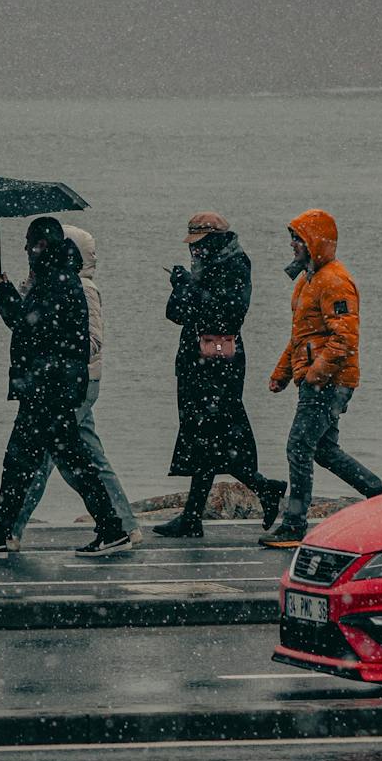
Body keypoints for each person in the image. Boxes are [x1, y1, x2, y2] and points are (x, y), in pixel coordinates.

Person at [0, 216, 136, 560]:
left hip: (47, 388)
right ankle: (108, 528)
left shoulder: (58, 282)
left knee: (30, 462)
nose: (27, 251)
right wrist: (11, 294)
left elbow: (30, 327)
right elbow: (33, 325)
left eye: (30, 245)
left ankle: (2, 534)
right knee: (55, 460)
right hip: (48, 387)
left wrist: (4, 294)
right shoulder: (58, 277)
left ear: (41, 246)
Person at [260, 208, 382, 548]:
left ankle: (294, 524)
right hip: (315, 379)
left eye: (297, 239)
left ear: (314, 242)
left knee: (299, 447)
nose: (291, 244)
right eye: (292, 237)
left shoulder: (334, 280)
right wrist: (282, 374)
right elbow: (301, 335)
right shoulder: (308, 279)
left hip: (328, 381)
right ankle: (381, 495)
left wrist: (316, 376)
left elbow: (345, 339)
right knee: (324, 450)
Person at [8, 226, 143, 551]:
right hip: (67, 381)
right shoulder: (50, 283)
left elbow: (91, 341)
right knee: (87, 456)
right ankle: (123, 525)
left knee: (47, 457)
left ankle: (10, 530)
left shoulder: (81, 287)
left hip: (73, 383)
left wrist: (56, 349)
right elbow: (26, 323)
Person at [154, 212, 286, 539]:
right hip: (198, 362)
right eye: (192, 246)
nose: (194, 252)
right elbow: (176, 314)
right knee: (207, 439)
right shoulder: (205, 267)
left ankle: (260, 489)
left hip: (218, 364)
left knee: (214, 437)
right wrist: (183, 286)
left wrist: (190, 288)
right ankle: (196, 515)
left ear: (215, 240)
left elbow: (229, 313)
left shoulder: (236, 265)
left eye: (199, 245)